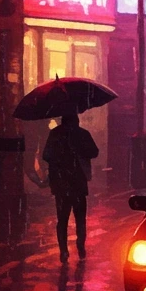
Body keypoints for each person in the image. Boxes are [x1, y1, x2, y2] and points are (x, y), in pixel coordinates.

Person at [41, 110, 98, 262]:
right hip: (79, 183)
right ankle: (80, 245)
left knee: (62, 219)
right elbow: (94, 152)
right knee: (80, 218)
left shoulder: (55, 134)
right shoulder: (82, 134)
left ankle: (64, 251)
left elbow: (46, 155)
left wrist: (59, 158)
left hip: (61, 184)